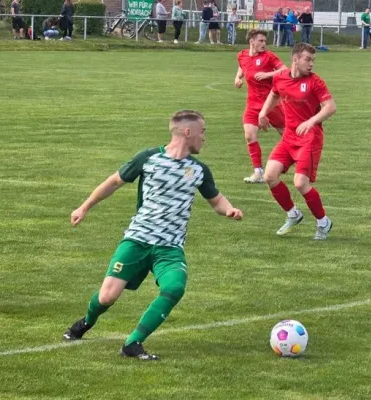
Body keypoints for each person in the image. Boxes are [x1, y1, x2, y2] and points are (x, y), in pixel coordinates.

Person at [63, 110, 243, 360]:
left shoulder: (199, 170)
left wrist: (229, 209)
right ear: (187, 132)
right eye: (203, 132)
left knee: (175, 287)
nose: (205, 138)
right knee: (106, 297)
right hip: (137, 240)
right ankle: (86, 322)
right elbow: (114, 182)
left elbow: (216, 201)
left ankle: (132, 343)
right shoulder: (148, 158)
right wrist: (84, 207)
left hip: (169, 248)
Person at [258, 43, 337, 239]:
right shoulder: (281, 78)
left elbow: (330, 107)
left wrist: (311, 121)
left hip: (310, 138)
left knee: (300, 183)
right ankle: (293, 214)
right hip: (289, 137)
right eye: (307, 60)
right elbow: (274, 93)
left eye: (313, 60)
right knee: (269, 176)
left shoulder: (315, 82)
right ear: (295, 59)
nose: (311, 64)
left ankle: (323, 222)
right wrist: (262, 113)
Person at [235, 29, 287, 184]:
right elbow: (241, 68)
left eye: (265, 41)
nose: (264, 44)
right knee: (249, 136)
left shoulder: (269, 56)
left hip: (271, 103)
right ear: (252, 41)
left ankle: (302, 163)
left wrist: (267, 75)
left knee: (287, 135)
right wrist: (238, 78)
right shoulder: (242, 55)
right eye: (261, 41)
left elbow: (285, 70)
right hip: (252, 104)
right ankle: (258, 172)